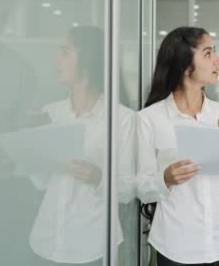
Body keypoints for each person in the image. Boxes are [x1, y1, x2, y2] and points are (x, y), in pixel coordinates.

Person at [27, 25, 137, 265]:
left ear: (87, 58)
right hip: (46, 241)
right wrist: (36, 140)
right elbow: (41, 181)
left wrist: (99, 178)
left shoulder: (123, 119)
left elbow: (128, 190)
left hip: (94, 247)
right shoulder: (50, 114)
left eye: (65, 52)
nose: (56, 59)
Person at [137, 26, 219, 266]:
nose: (218, 59)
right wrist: (165, 178)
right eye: (208, 53)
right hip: (177, 246)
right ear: (185, 65)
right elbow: (142, 188)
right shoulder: (149, 119)